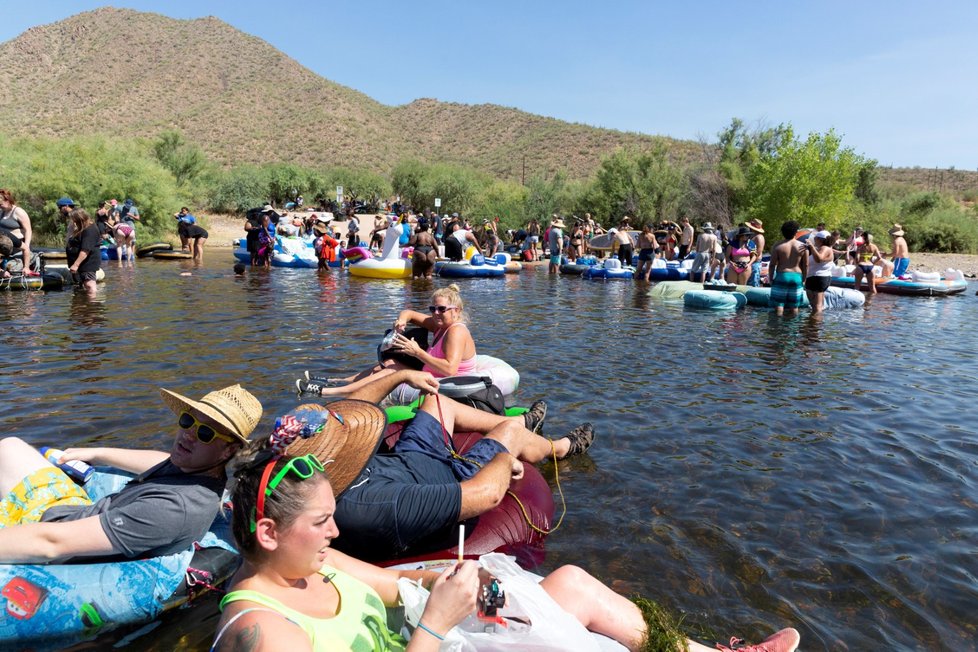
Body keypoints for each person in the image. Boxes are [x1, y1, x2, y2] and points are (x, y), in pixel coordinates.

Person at [211, 398, 800, 652]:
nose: (335, 533)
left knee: (564, 583)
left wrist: (467, 581)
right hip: (431, 643)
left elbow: (397, 583)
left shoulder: (304, 564)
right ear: (268, 533)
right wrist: (438, 626)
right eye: (322, 523)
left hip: (434, 635)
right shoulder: (264, 634)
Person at [0, 384, 262, 563]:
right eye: (188, 420)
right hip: (76, 513)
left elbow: (52, 543)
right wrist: (97, 452)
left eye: (205, 433)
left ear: (228, 451)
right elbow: (160, 460)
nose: (189, 434)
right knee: (9, 447)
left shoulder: (173, 508)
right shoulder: (200, 470)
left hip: (54, 529)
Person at [299, 284, 477, 397]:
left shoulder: (456, 332)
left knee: (390, 371)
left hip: (449, 382)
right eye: (433, 308)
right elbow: (410, 313)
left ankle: (328, 392)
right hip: (431, 371)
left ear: (456, 311)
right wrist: (402, 321)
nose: (436, 312)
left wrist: (418, 352)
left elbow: (450, 369)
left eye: (442, 309)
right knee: (388, 362)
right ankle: (337, 381)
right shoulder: (439, 325)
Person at [768, 220, 808, 316]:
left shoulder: (777, 246)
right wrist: (804, 279)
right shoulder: (803, 247)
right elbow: (805, 265)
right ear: (796, 232)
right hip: (797, 277)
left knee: (779, 305)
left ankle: (778, 327)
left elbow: (772, 264)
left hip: (782, 275)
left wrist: (770, 279)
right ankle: (792, 329)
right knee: (794, 307)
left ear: (783, 232)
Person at [65, 209, 101, 294]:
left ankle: (92, 304)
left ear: (80, 219)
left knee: (90, 284)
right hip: (82, 264)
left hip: (88, 263)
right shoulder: (82, 229)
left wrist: (75, 264)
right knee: (84, 285)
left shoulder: (90, 230)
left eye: (74, 220)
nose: (73, 222)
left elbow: (85, 250)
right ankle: (84, 304)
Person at [0, 189, 35, 276]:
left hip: (19, 245)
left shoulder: (19, 212)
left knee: (12, 267)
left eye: (1, 204)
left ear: (7, 201)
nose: (0, 206)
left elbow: (28, 230)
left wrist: (27, 246)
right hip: (5, 244)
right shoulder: (2, 212)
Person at [804, 230, 834, 313]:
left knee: (817, 306)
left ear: (820, 239)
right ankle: (813, 324)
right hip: (813, 277)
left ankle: (816, 325)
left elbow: (819, 259)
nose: (814, 239)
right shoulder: (818, 249)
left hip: (819, 278)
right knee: (814, 305)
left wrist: (811, 246)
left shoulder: (825, 248)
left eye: (815, 238)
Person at [746, 219, 765, 287]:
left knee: (753, 282)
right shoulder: (753, 236)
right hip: (750, 262)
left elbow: (758, 252)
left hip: (755, 262)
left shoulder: (759, 237)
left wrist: (750, 262)